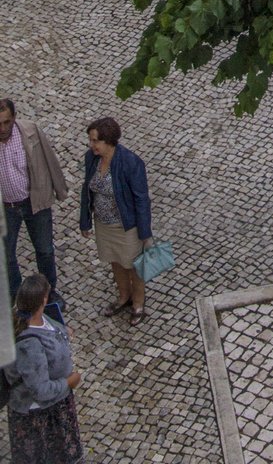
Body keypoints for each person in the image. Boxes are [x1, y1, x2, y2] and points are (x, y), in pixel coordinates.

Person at [4, 273, 85, 464]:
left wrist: (63, 331)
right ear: (43, 299)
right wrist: (68, 382)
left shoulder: (34, 316)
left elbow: (49, 327)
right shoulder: (29, 347)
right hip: (41, 414)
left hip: (55, 406)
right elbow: (41, 390)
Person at [79, 118, 152, 325]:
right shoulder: (91, 159)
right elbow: (87, 190)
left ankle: (138, 301)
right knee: (116, 261)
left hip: (126, 225)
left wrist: (145, 232)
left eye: (95, 141)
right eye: (91, 140)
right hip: (104, 223)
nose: (92, 145)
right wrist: (85, 221)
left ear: (108, 141)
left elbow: (141, 198)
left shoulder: (130, 162)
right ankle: (123, 297)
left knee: (134, 265)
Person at [0, 99, 67, 301]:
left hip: (34, 201)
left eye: (6, 122)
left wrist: (59, 189)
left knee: (45, 250)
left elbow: (48, 158)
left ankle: (49, 293)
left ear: (14, 118)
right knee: (7, 256)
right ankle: (15, 296)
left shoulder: (29, 131)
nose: (2, 128)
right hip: (5, 208)